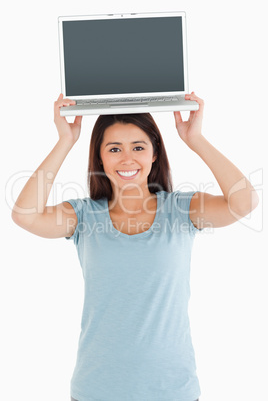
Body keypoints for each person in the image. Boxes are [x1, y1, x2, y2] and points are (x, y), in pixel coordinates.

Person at [12, 92, 259, 401]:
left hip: (172, 390)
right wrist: (65, 141)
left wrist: (194, 139)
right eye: (114, 148)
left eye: (138, 147)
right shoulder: (84, 216)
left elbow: (244, 201)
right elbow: (25, 215)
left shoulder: (182, 210)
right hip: (96, 390)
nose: (127, 159)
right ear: (100, 157)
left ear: (155, 153)